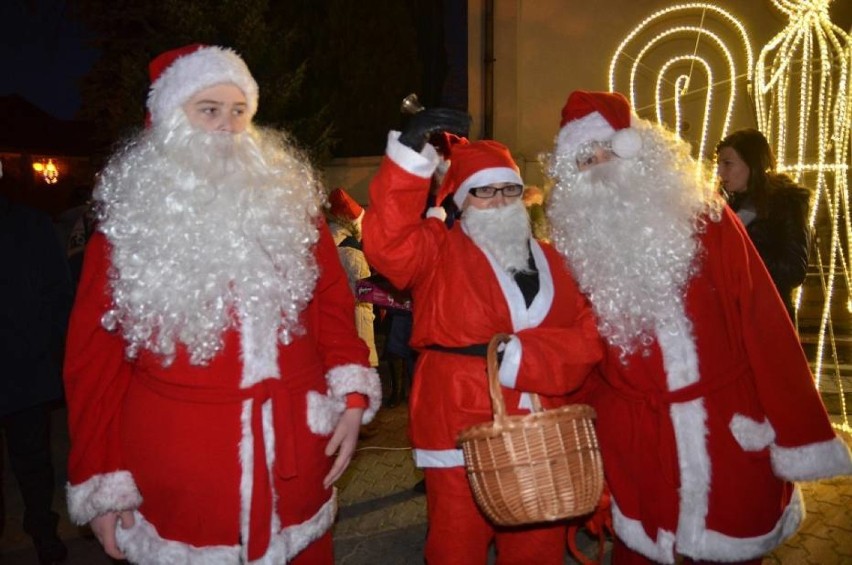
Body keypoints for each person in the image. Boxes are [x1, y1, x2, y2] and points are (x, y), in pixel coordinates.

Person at [62, 44, 381, 565]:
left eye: (239, 112)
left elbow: (330, 307)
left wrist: (350, 394)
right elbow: (92, 367)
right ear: (169, 122)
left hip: (297, 456)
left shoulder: (290, 209)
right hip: (181, 475)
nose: (228, 126)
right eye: (208, 110)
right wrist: (101, 484)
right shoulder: (127, 232)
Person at [546, 90, 852, 565]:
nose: (601, 164)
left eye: (610, 148)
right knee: (640, 550)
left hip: (726, 430)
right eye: (586, 157)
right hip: (634, 442)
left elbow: (764, 324)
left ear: (641, 153)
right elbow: (577, 354)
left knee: (730, 545)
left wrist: (798, 433)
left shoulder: (708, 220)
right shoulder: (573, 249)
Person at [362, 110, 604, 564]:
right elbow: (388, 243)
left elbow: (591, 335)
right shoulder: (436, 251)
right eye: (484, 191)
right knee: (457, 546)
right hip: (458, 427)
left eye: (509, 189)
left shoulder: (558, 261)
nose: (498, 200)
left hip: (541, 428)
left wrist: (527, 359)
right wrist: (409, 156)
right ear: (462, 199)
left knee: (536, 549)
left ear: (523, 195)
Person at [0, 159, 73, 565]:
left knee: (33, 461)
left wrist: (50, 353)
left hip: (24, 366)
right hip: (26, 364)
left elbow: (59, 294)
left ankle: (42, 527)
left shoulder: (30, 224)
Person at [716, 128, 811, 320]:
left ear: (752, 164)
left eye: (727, 163)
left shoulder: (785, 203)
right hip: (734, 315)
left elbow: (794, 270)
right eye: (718, 164)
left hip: (769, 315)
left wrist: (744, 248)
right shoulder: (725, 208)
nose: (720, 171)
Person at [326, 187, 379, 368]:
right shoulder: (354, 253)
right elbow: (363, 305)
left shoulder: (324, 246)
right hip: (354, 337)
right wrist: (367, 353)